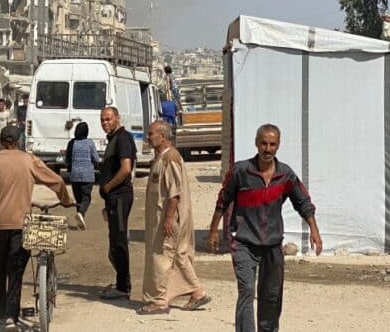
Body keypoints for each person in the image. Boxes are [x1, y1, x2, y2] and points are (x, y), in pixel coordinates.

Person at [208, 124, 322, 332]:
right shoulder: (241, 171)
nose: (267, 149)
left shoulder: (285, 175)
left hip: (272, 244)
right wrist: (213, 230)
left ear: (278, 146)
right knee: (247, 290)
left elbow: (303, 202)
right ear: (256, 143)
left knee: (271, 296)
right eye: (264, 143)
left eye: (272, 144)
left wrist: (314, 230)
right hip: (243, 242)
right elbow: (223, 200)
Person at [0, 125, 72, 330]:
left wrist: (0, 204)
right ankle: (11, 316)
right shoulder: (28, 160)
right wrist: (66, 200)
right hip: (20, 224)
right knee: (15, 272)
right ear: (19, 141)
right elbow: (57, 181)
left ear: (1, 141)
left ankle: (0, 312)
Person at [138, 120, 210, 315]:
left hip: (168, 219)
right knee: (177, 257)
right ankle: (197, 292)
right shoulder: (162, 158)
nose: (148, 137)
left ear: (162, 136)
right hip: (161, 219)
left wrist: (169, 218)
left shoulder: (170, 158)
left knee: (162, 257)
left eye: (151, 134)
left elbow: (174, 194)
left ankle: (159, 301)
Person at [99, 105, 136, 300]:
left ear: (117, 118)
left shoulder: (123, 138)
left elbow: (126, 168)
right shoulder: (113, 139)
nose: (105, 123)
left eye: (108, 119)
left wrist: (108, 187)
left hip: (120, 196)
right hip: (113, 199)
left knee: (119, 242)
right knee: (114, 242)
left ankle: (123, 287)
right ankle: (122, 281)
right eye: (102, 120)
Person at [65, 121, 99, 230]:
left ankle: (80, 220)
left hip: (74, 175)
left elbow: (67, 159)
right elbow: (96, 159)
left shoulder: (72, 143)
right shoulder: (90, 143)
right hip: (87, 176)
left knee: (78, 199)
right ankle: (81, 213)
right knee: (86, 198)